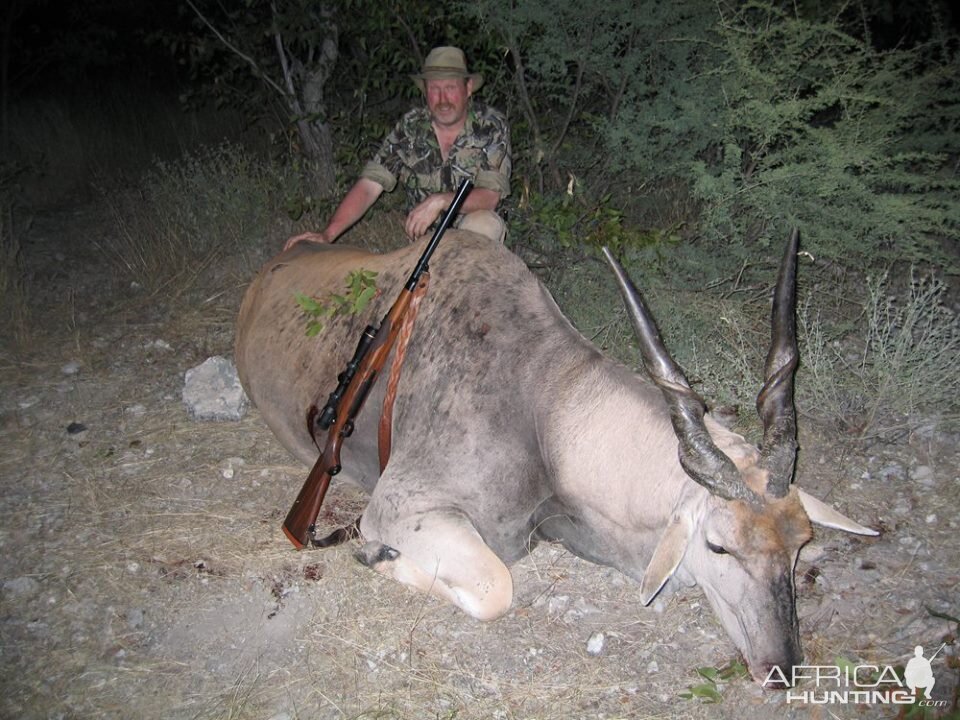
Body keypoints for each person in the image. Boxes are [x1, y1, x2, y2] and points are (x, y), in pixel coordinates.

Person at [284, 46, 511, 251]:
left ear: (468, 88)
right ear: (425, 91)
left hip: (471, 229)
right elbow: (370, 185)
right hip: (425, 240)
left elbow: (490, 198)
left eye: (450, 87)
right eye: (434, 88)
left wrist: (440, 200)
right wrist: (327, 233)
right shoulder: (410, 126)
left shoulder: (491, 126)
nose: (442, 99)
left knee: (484, 224)